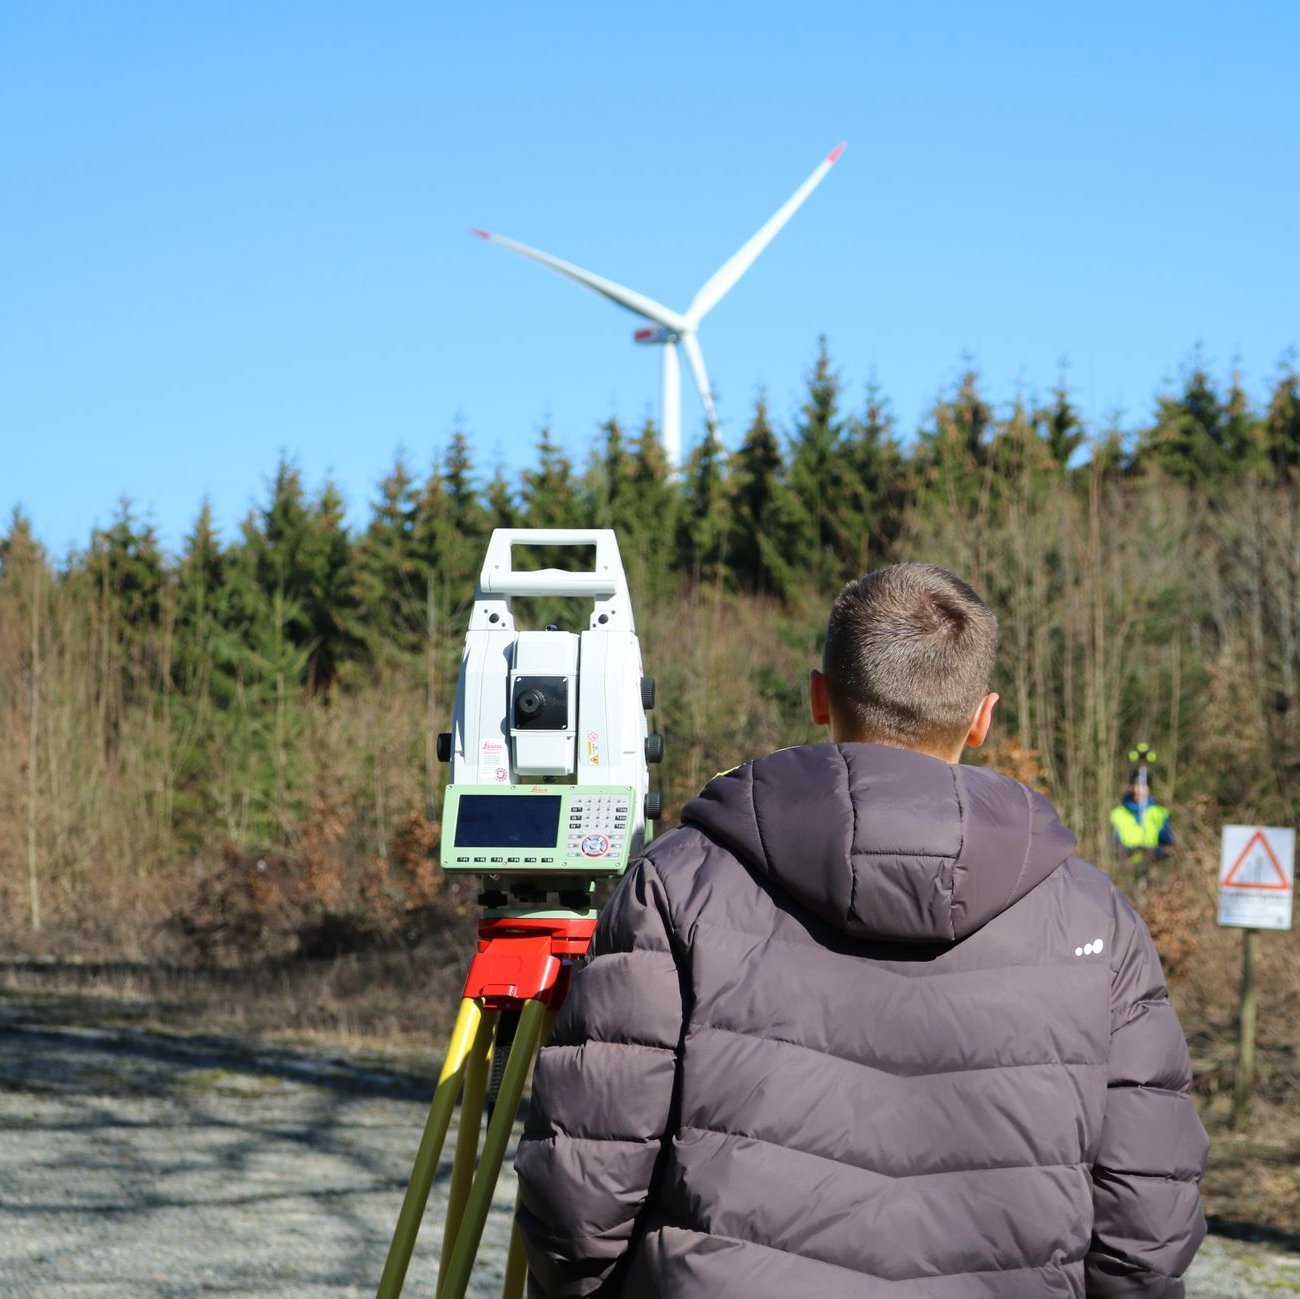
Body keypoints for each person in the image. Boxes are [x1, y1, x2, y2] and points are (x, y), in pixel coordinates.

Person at [515, 562, 1207, 1298]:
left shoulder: (677, 882)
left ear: (820, 696)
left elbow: (581, 1194)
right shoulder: (1095, 917)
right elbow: (1147, 1224)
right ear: (983, 715)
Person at [1111, 771, 1174, 868]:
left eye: (1143, 786)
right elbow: (1111, 845)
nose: (1139, 790)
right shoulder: (1117, 814)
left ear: (1149, 789)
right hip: (1125, 869)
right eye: (1136, 785)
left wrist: (1154, 854)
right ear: (1131, 787)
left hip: (1153, 868)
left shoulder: (1160, 813)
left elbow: (1168, 846)